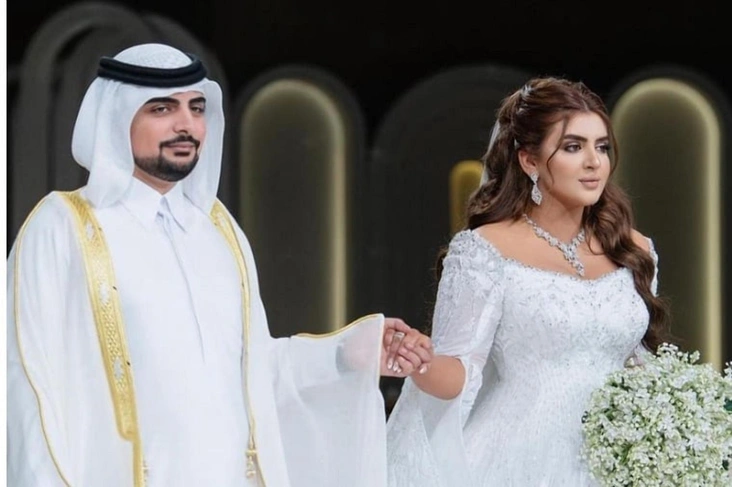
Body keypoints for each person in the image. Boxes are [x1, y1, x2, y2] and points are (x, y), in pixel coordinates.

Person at [7, 43, 433, 487]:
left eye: (197, 108)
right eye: (162, 108)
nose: (186, 125)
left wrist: (345, 355)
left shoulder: (216, 229)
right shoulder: (63, 225)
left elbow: (253, 372)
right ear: (116, 116)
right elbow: (24, 385)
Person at [385, 76, 670, 486]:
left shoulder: (634, 248)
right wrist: (420, 360)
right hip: (517, 459)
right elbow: (460, 371)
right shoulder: (483, 251)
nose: (594, 162)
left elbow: (640, 367)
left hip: (617, 460)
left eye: (602, 146)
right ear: (529, 161)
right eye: (573, 147)